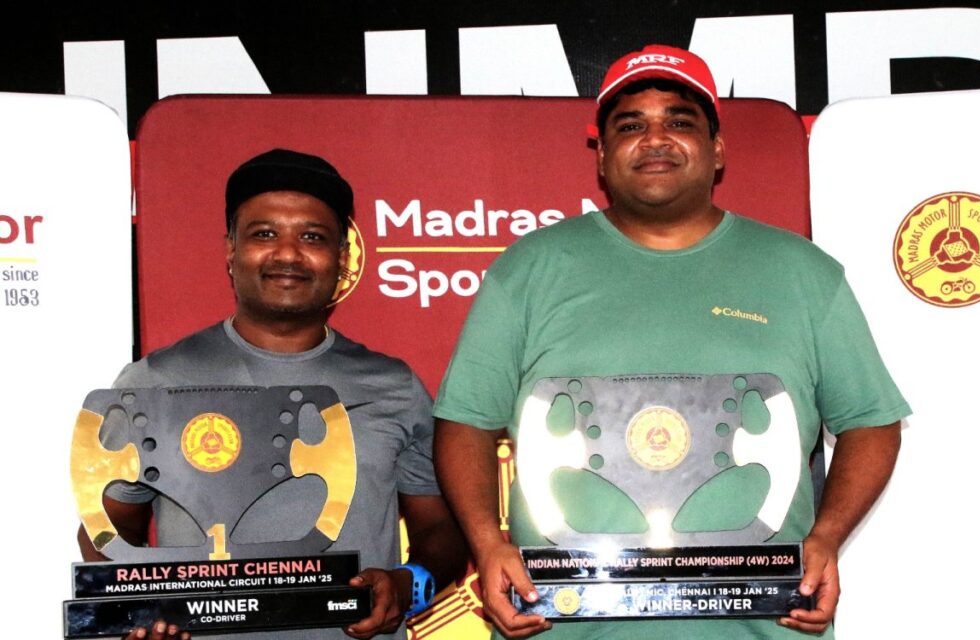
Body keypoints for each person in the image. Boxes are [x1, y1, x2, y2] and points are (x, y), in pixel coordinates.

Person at [432, 44, 909, 639]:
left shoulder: (802, 272)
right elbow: (465, 422)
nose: (655, 139)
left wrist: (827, 536)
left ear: (718, 150)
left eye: (679, 122)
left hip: (761, 625)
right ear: (601, 154)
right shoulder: (529, 269)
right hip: (567, 623)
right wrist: (486, 543)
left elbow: (871, 422)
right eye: (630, 126)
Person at [76, 148, 467, 640]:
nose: (287, 254)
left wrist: (407, 586)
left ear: (342, 257)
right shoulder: (154, 381)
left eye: (312, 237)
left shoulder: (393, 385)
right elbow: (107, 530)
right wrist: (136, 612)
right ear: (230, 251)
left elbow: (441, 531)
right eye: (264, 234)